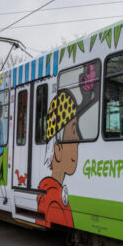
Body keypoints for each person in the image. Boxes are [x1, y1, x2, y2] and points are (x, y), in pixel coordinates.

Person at [36, 91, 80, 228]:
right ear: (58, 149)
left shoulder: (51, 193)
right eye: (73, 131)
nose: (78, 139)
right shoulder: (54, 202)